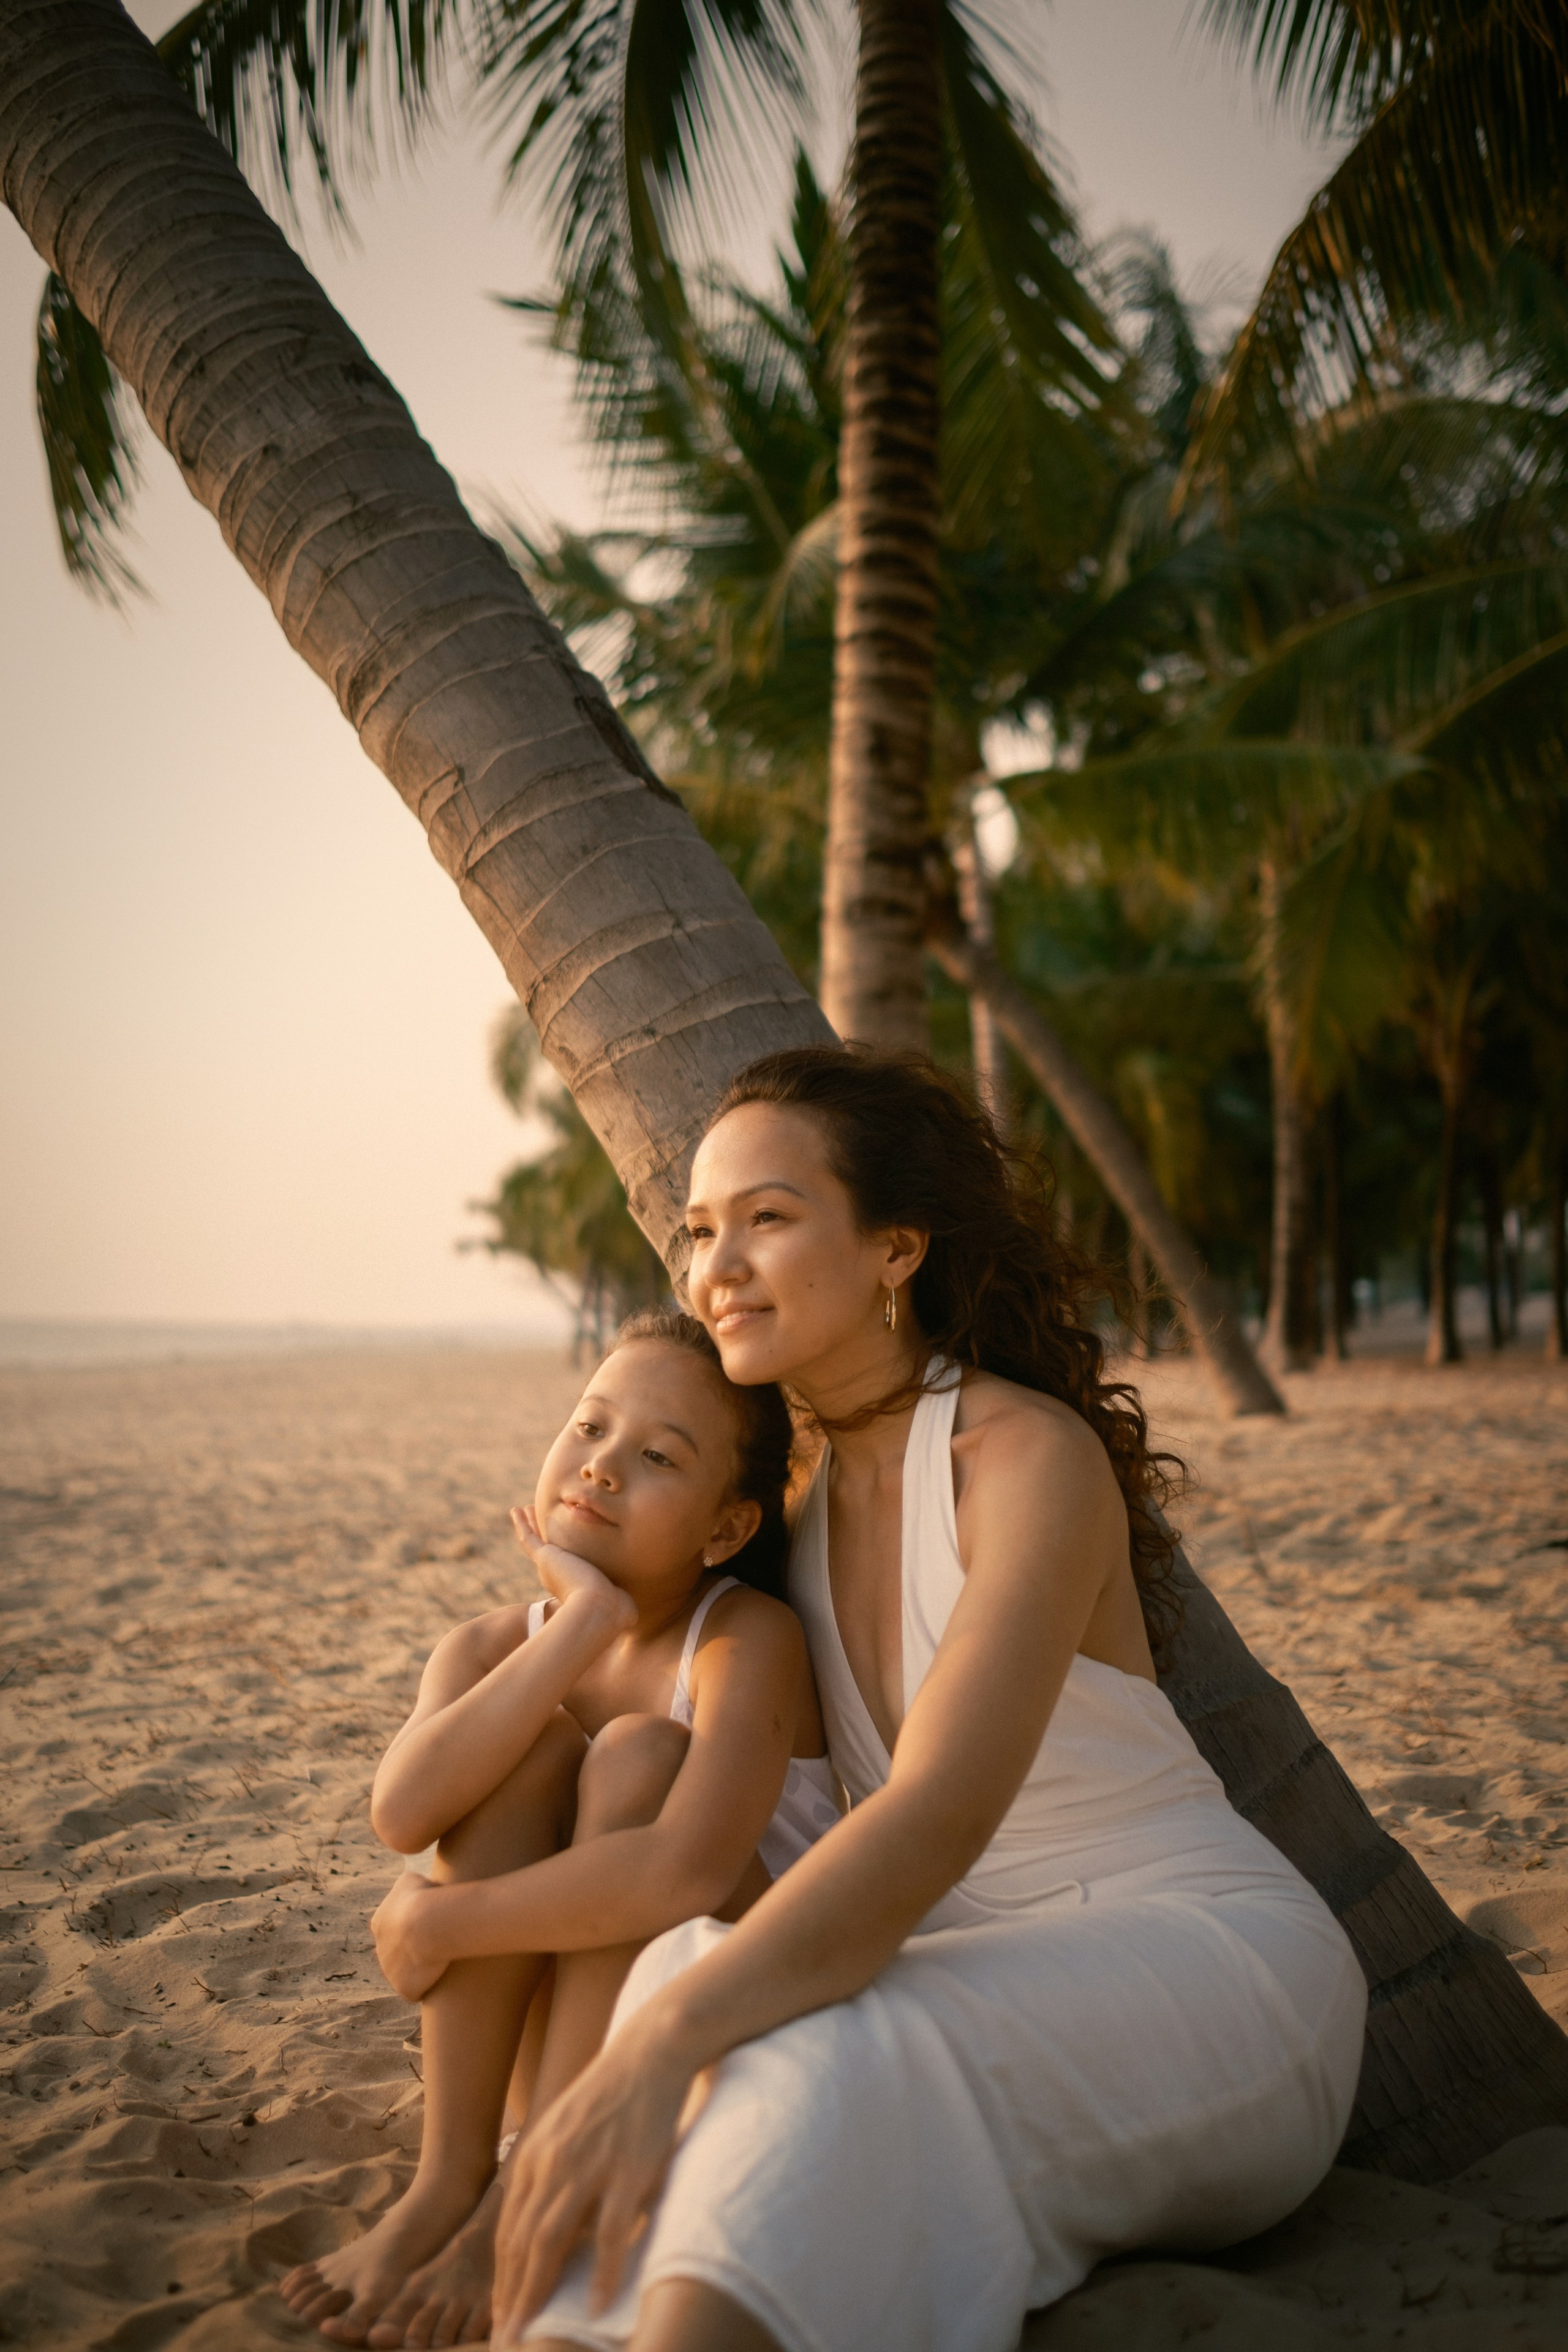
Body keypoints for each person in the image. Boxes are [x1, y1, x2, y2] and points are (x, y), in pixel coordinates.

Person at [465, 1044, 1368, 2352]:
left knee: (783, 2043)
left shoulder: (1024, 1461)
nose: (715, 1265)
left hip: (1206, 1974)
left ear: (895, 1249)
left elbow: (936, 1812)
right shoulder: (790, 1515)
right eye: (700, 1229)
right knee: (711, 1984)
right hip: (946, 1969)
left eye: (767, 1220)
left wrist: (657, 2045)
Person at [278, 1310, 834, 2348]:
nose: (604, 1467)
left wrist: (446, 1925)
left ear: (726, 1529)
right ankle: (448, 2183)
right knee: (522, 1749)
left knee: (636, 1754)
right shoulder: (492, 1645)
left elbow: (683, 1875)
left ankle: (532, 2184)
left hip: (708, 2021)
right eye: (590, 1427)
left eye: (658, 1456)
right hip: (540, 2051)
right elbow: (403, 1813)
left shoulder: (746, 1639)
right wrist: (579, 1624)